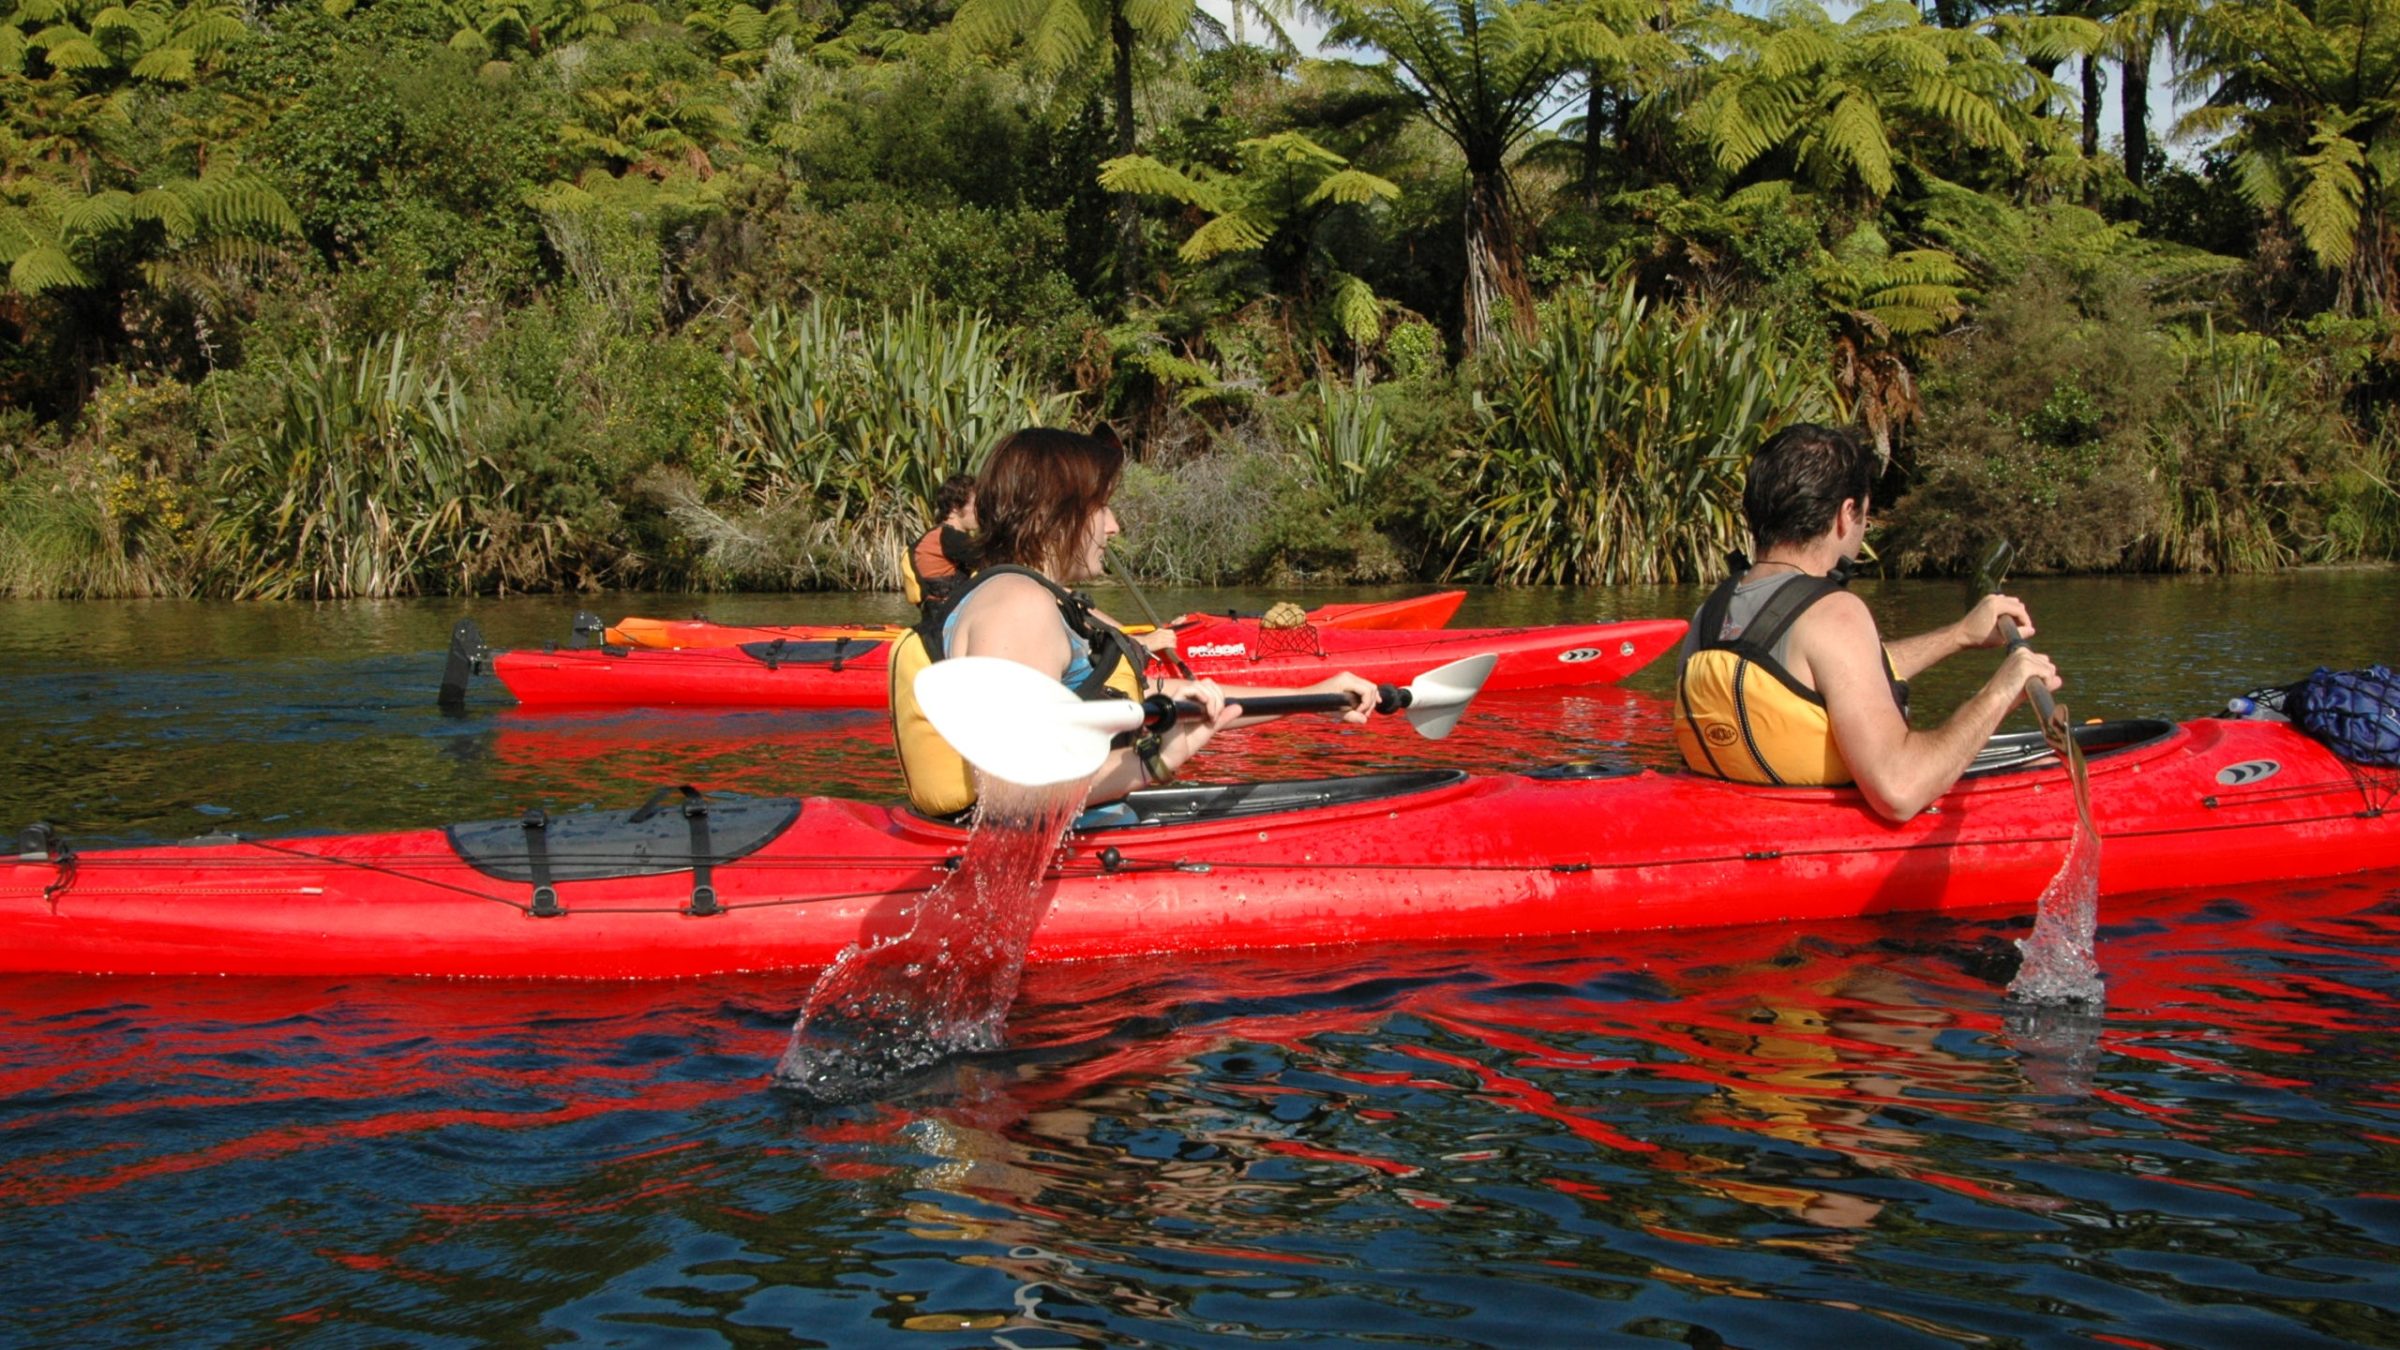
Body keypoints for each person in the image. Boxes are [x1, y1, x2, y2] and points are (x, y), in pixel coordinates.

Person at [890, 427, 1381, 817]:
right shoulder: (1017, 607)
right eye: (1100, 507)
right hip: (1046, 860)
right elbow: (1011, 797)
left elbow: (1161, 694)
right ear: (1051, 514)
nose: (1113, 525)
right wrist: (1154, 760)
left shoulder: (1054, 602)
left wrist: (1315, 696)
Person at [1673, 423, 2062, 822]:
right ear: (1846, 514)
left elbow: (1824, 676)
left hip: (1744, 822)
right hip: (1818, 837)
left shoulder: (1712, 612)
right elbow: (1898, 791)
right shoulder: (1835, 613)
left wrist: (1959, 635)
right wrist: (2001, 691)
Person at [904, 474, 982, 616]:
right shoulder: (950, 538)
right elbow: (990, 557)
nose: (980, 510)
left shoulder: (939, 535)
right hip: (947, 620)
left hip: (938, 617)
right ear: (955, 508)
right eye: (975, 505)